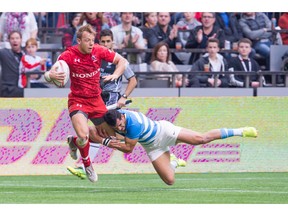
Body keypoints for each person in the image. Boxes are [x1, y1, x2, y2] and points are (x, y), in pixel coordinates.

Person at [44, 24, 128, 183]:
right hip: (78, 101)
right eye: (87, 40)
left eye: (92, 40)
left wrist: (115, 75)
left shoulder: (98, 50)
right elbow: (49, 75)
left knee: (111, 135)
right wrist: (50, 75)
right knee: (84, 135)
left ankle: (73, 141)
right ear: (79, 41)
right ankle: (87, 165)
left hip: (96, 101)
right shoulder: (68, 55)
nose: (91, 43)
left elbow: (122, 61)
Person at [100, 109, 257, 185]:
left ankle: (241, 131)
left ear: (122, 116)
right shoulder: (115, 117)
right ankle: (174, 161)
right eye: (117, 127)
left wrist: (107, 143)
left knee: (201, 138)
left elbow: (128, 149)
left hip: (165, 132)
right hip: (153, 147)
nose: (120, 128)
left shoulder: (133, 123)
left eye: (121, 125)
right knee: (169, 181)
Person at [66, 29, 137, 180]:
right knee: (86, 134)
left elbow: (133, 79)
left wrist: (123, 96)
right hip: (92, 100)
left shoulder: (112, 58)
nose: (105, 44)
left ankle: (76, 142)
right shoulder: (96, 56)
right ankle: (86, 164)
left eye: (108, 42)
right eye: (102, 42)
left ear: (112, 42)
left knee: (114, 136)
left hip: (110, 104)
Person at [0, 31, 25, 97]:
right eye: (12, 38)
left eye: (17, 38)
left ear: (21, 40)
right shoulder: (4, 53)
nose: (15, 40)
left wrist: (36, 76)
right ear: (9, 40)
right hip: (8, 89)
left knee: (44, 90)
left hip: (23, 86)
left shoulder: (26, 54)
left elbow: (36, 73)